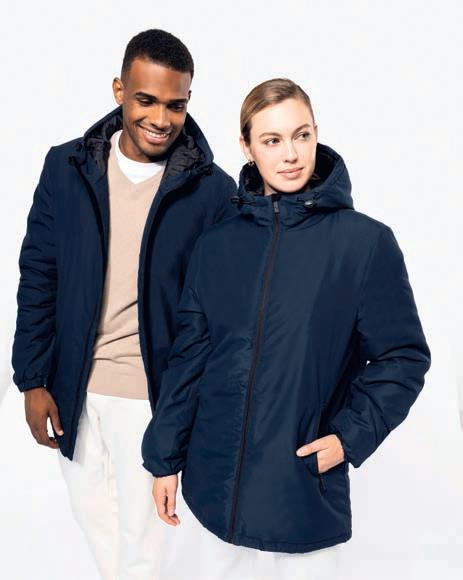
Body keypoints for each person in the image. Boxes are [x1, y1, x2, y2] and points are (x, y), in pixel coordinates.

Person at [141, 78, 431, 579]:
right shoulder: (217, 246)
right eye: (272, 140)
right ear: (247, 147)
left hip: (299, 498)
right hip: (210, 497)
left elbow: (403, 358)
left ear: (316, 132)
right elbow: (188, 362)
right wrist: (164, 459)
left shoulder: (364, 245)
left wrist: (347, 439)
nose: (291, 154)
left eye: (301, 135)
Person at [11, 29, 237, 580]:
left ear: (188, 101)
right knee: (98, 535)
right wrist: (32, 379)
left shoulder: (213, 191)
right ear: (119, 90)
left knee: (144, 552)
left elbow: (219, 314)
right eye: (146, 100)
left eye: (175, 104)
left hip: (153, 399)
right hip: (75, 390)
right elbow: (39, 275)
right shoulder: (67, 167)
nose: (160, 118)